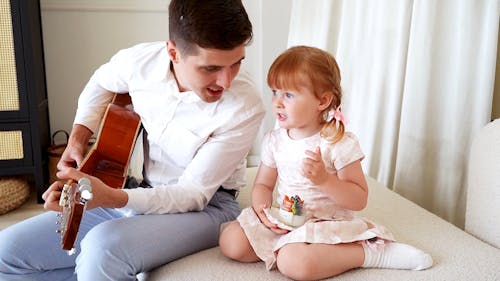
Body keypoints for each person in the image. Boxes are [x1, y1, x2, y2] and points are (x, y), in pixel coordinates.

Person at [0, 0, 265, 280]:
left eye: (236, 64)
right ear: (173, 52)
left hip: (208, 208)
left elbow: (192, 195)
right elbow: (101, 82)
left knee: (102, 250)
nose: (225, 81)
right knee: (7, 251)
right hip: (138, 191)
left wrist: (113, 198)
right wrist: (78, 139)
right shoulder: (140, 61)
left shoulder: (244, 105)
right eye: (210, 68)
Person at [219, 46, 433, 281]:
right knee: (231, 242)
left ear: (323, 101)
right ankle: (285, 245)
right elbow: (263, 185)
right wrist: (264, 215)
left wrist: (324, 180)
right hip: (287, 220)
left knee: (294, 263)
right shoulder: (275, 140)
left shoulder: (336, 142)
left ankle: (368, 255)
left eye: (288, 95)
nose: (278, 103)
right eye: (275, 92)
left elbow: (358, 198)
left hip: (324, 224)